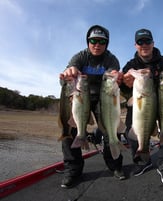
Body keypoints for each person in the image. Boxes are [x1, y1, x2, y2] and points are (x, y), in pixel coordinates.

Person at [59, 25, 125, 188]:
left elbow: (113, 80)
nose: (97, 44)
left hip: (104, 99)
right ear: (88, 42)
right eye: (93, 40)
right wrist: (67, 74)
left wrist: (117, 78)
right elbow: (64, 81)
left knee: (111, 129)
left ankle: (115, 166)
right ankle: (73, 170)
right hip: (82, 98)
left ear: (106, 44)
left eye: (102, 41)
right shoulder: (80, 57)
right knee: (69, 128)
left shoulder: (111, 59)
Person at [120, 28, 163, 185]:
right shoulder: (130, 64)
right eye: (140, 42)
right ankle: (142, 160)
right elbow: (122, 87)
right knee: (132, 130)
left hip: (162, 103)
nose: (144, 45)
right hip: (141, 105)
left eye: (147, 41)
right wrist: (125, 85)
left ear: (153, 43)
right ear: (135, 45)